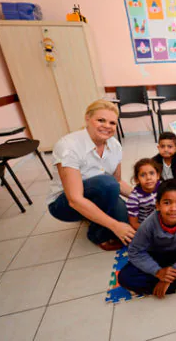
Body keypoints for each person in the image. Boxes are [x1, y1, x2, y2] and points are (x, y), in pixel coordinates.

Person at [47, 100, 134, 251]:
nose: (107, 126)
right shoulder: (69, 146)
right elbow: (74, 200)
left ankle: (94, 215)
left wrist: (146, 198)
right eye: (101, 120)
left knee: (129, 224)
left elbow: (118, 181)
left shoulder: (115, 145)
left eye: (112, 123)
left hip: (103, 192)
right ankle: (96, 234)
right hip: (65, 204)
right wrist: (115, 226)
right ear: (87, 118)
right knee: (107, 184)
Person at [118, 179, 176, 297]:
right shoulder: (149, 224)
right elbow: (135, 252)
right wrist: (157, 271)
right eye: (167, 203)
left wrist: (168, 277)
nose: (173, 208)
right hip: (157, 256)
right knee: (125, 277)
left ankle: (167, 285)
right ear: (158, 205)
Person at [127, 158, 161, 230]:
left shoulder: (163, 187)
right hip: (145, 226)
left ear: (158, 175)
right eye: (143, 175)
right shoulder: (134, 198)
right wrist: (150, 231)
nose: (148, 178)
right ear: (137, 180)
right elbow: (134, 223)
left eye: (152, 173)